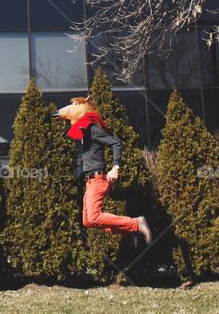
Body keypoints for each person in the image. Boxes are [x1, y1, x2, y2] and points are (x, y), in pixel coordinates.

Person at [55, 96, 152, 245]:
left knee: (94, 217)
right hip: (90, 181)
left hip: (97, 180)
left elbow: (116, 144)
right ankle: (129, 230)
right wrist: (62, 116)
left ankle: (136, 223)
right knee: (87, 221)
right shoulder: (85, 131)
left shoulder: (93, 129)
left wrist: (115, 168)